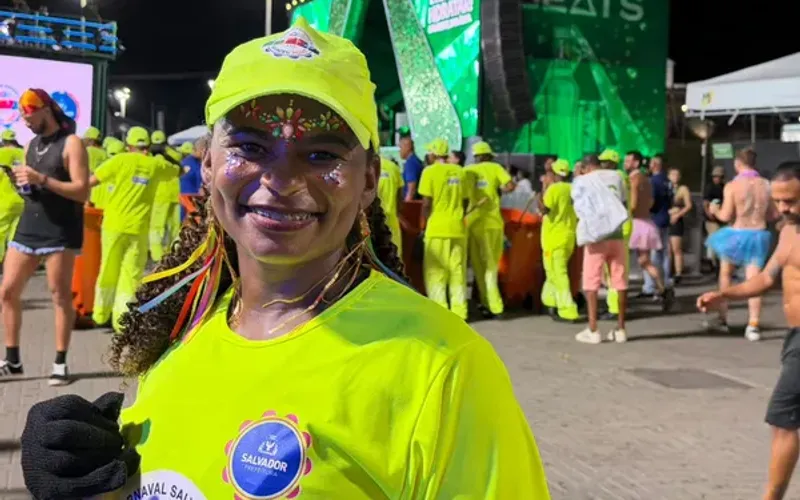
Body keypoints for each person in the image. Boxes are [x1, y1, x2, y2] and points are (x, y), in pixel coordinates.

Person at [20, 19, 551, 500]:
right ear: (207, 164)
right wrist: (92, 484)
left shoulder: (444, 368)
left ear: (369, 180)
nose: (280, 180)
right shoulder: (180, 333)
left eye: (322, 154)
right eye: (249, 147)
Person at [697, 162, 800, 500]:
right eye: (780, 201)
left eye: (791, 201)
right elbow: (767, 279)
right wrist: (723, 294)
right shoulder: (787, 232)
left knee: (783, 419)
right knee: (784, 421)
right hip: (794, 338)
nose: (783, 209)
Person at [0, 89, 89, 385]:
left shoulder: (71, 144)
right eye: (24, 119)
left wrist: (43, 180)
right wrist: (21, 184)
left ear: (46, 110)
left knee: (58, 295)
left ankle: (60, 362)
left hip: (61, 229)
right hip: (30, 225)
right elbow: (34, 191)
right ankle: (12, 359)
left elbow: (81, 191)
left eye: (30, 117)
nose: (27, 123)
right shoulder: (32, 145)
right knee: (7, 291)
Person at [89, 127, 180, 332]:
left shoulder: (119, 160)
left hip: (113, 226)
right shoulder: (155, 165)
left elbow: (92, 181)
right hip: (138, 228)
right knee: (131, 275)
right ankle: (122, 321)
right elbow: (177, 170)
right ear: (147, 145)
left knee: (108, 269)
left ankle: (100, 314)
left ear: (129, 144)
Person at [705, 147, 776, 341]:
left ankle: (722, 318)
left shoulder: (732, 186)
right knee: (754, 280)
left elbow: (726, 215)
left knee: (726, 274)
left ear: (738, 164)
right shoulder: (766, 184)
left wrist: (714, 210)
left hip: (736, 234)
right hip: (758, 234)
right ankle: (753, 325)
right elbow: (772, 214)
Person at [571, 154, 628, 343]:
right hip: (617, 235)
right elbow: (623, 201)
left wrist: (578, 177)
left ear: (586, 167)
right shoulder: (617, 176)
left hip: (596, 237)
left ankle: (593, 329)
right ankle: (620, 329)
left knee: (591, 283)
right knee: (619, 281)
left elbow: (579, 206)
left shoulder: (583, 180)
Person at [419, 138, 470, 320]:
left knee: (436, 272)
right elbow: (465, 201)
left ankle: (439, 313)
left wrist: (424, 224)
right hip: (457, 228)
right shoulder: (460, 172)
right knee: (457, 271)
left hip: (437, 228)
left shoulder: (429, 172)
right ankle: (460, 312)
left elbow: (426, 203)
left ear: (433, 154)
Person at [465, 141, 514, 318]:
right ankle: (495, 306)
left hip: (473, 223)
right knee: (491, 267)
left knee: (478, 267)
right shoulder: (495, 168)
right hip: (493, 223)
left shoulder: (468, 171)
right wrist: (497, 191)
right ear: (488, 156)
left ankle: (486, 303)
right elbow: (509, 186)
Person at [625, 151, 674, 310]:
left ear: (636, 163)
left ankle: (619, 294)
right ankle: (663, 289)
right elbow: (651, 201)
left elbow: (632, 204)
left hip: (636, 223)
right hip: (647, 222)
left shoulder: (634, 179)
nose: (625, 163)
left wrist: (624, 213)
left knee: (620, 258)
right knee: (645, 261)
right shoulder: (647, 179)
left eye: (628, 161)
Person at [538, 158, 578, 322]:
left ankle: (567, 309)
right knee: (552, 273)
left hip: (553, 238)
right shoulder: (574, 188)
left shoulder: (554, 189)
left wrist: (542, 193)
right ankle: (550, 302)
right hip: (568, 236)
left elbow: (545, 209)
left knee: (558, 273)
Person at [597, 149, 631, 320]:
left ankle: (615, 308)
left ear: (613, 163)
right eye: (601, 161)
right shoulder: (617, 176)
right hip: (616, 226)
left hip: (618, 227)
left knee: (615, 270)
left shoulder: (616, 177)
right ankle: (615, 305)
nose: (602, 165)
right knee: (612, 269)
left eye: (605, 162)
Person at [641, 152, 674, 297]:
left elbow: (651, 201)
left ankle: (652, 286)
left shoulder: (653, 181)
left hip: (654, 220)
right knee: (663, 254)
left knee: (652, 255)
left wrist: (643, 210)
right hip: (665, 218)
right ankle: (665, 282)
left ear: (655, 165)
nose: (649, 166)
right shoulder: (667, 180)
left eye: (650, 163)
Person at [149, 130, 183, 262]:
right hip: (175, 195)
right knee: (175, 227)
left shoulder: (153, 159)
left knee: (157, 227)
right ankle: (173, 254)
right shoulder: (174, 155)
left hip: (159, 196)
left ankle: (157, 256)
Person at [0, 130, 25, 262]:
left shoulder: (2, 153)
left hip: (4, 199)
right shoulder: (23, 153)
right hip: (22, 200)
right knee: (15, 234)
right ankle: (14, 262)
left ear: (3, 141)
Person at [667, 167, 692, 283]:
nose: (674, 177)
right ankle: (668, 271)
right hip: (666, 219)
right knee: (667, 248)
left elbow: (688, 205)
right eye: (672, 174)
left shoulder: (683, 189)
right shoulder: (665, 188)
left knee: (676, 248)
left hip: (677, 220)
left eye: (677, 175)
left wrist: (678, 215)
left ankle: (678, 273)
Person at [377, 156, 403, 256]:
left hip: (371, 220)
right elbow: (400, 197)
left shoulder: (365, 165)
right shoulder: (393, 167)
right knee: (394, 256)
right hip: (391, 220)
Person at [703, 166, 726, 271]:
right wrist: (709, 214)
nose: (717, 179)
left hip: (721, 218)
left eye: (719, 177)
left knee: (720, 240)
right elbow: (705, 202)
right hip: (712, 219)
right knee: (713, 238)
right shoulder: (710, 187)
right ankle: (712, 261)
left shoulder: (724, 187)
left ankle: (717, 261)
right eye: (715, 177)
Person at [179, 136, 208, 219]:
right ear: (200, 149)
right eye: (204, 150)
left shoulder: (184, 162)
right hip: (192, 197)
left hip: (183, 197)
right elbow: (201, 181)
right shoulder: (196, 165)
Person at [83, 126, 110, 209]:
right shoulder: (105, 153)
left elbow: (89, 173)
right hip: (102, 194)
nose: (84, 142)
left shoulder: (89, 151)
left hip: (90, 194)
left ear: (91, 141)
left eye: (85, 139)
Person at [399, 134, 424, 201]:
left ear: (408, 147)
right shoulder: (416, 161)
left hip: (412, 203)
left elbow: (411, 189)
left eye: (400, 147)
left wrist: (407, 207)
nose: (399, 151)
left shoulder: (411, 163)